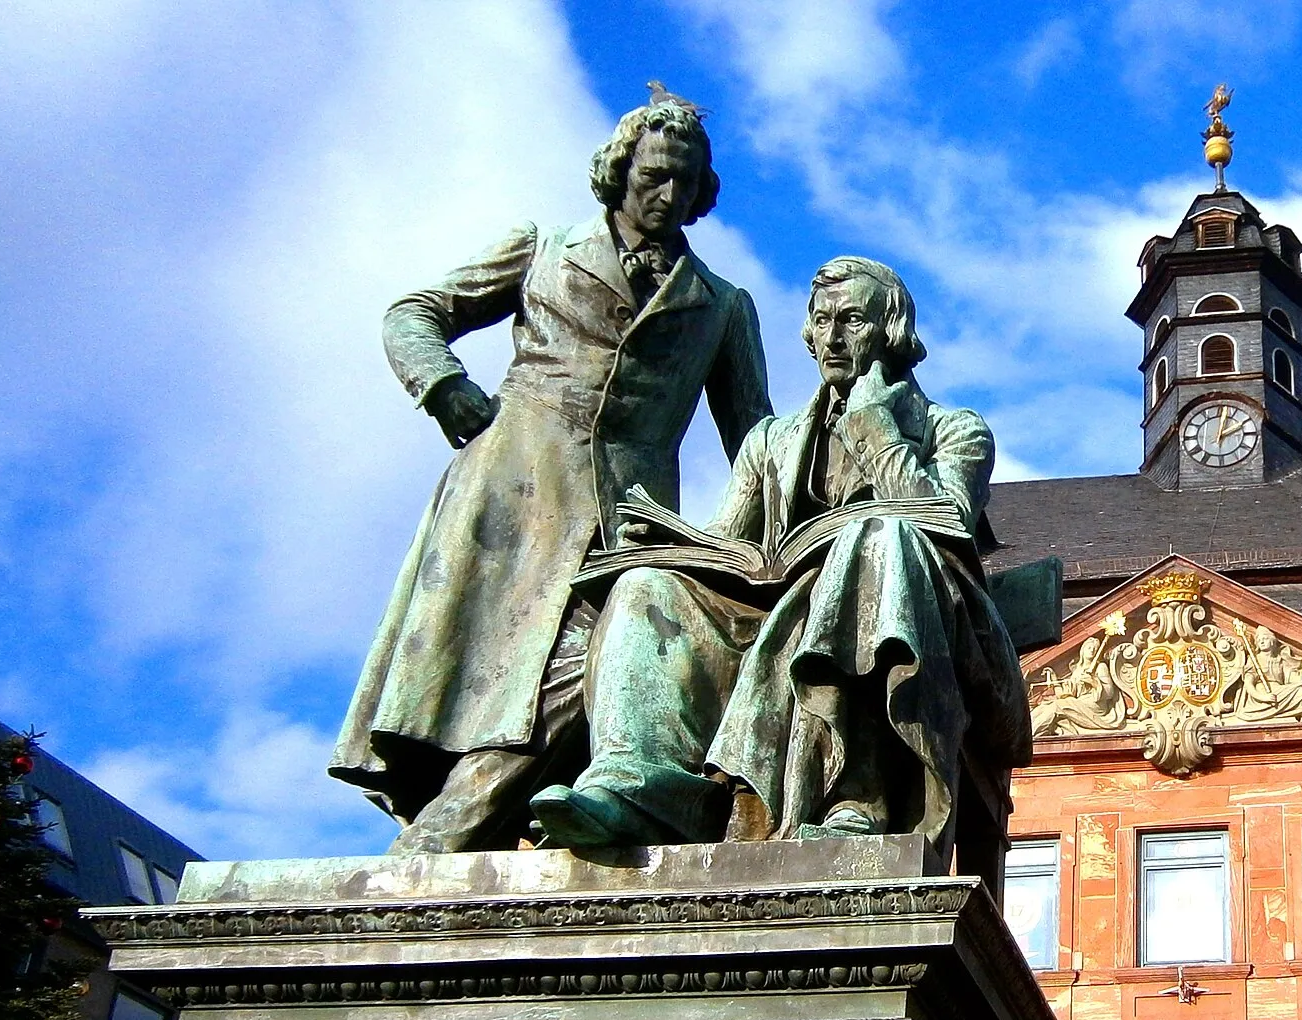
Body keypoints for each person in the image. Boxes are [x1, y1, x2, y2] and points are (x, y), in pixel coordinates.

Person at [331, 88, 772, 853]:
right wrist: (442, 383)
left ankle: (451, 835)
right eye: (653, 176)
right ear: (619, 171)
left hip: (628, 520)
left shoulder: (722, 305)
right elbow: (416, 310)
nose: (666, 195)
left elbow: (757, 441)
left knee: (590, 661)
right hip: (509, 493)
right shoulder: (542, 249)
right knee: (488, 675)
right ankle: (463, 833)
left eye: (684, 183)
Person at [530, 258, 1029, 859]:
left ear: (891, 330)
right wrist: (669, 546)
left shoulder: (956, 429)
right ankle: (639, 785)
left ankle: (854, 795)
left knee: (875, 538)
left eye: (851, 321)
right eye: (822, 322)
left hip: (915, 614)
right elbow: (726, 540)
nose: (833, 338)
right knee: (648, 586)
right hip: (772, 611)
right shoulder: (772, 439)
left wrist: (875, 428)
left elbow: (945, 518)